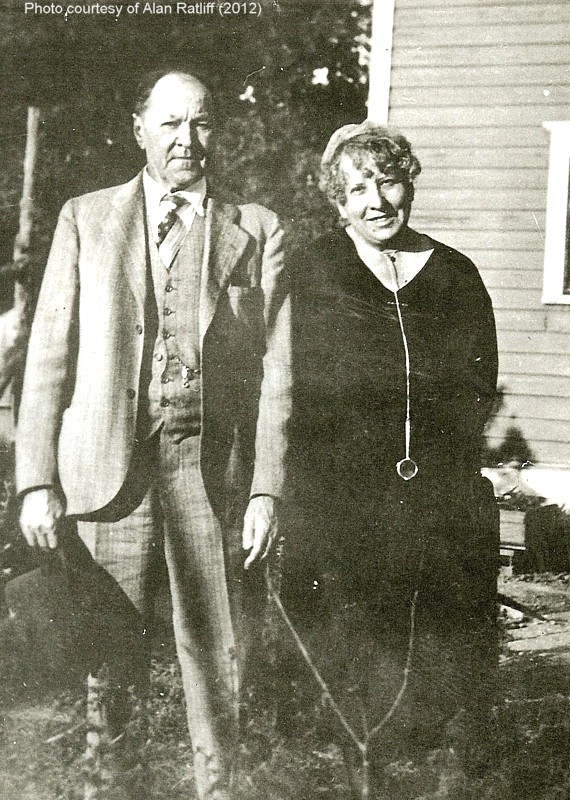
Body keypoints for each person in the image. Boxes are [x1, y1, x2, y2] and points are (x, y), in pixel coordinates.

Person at [16, 66, 291, 800]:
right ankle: (109, 789)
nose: (186, 140)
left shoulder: (256, 230)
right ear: (138, 128)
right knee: (110, 668)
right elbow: (48, 356)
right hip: (108, 479)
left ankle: (219, 791)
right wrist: (37, 480)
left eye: (200, 123)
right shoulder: (85, 218)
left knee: (217, 663)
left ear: (217, 132)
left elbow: (277, 377)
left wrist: (266, 489)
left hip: (211, 479)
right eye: (169, 123)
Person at [283, 121, 499, 787]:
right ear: (337, 202)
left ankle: (436, 771)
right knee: (353, 652)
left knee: (438, 645)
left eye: (388, 180)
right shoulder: (312, 270)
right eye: (358, 188)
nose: (377, 200)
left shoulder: (456, 274)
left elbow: (479, 383)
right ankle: (354, 770)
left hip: (436, 494)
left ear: (410, 181)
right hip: (341, 497)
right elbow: (283, 382)